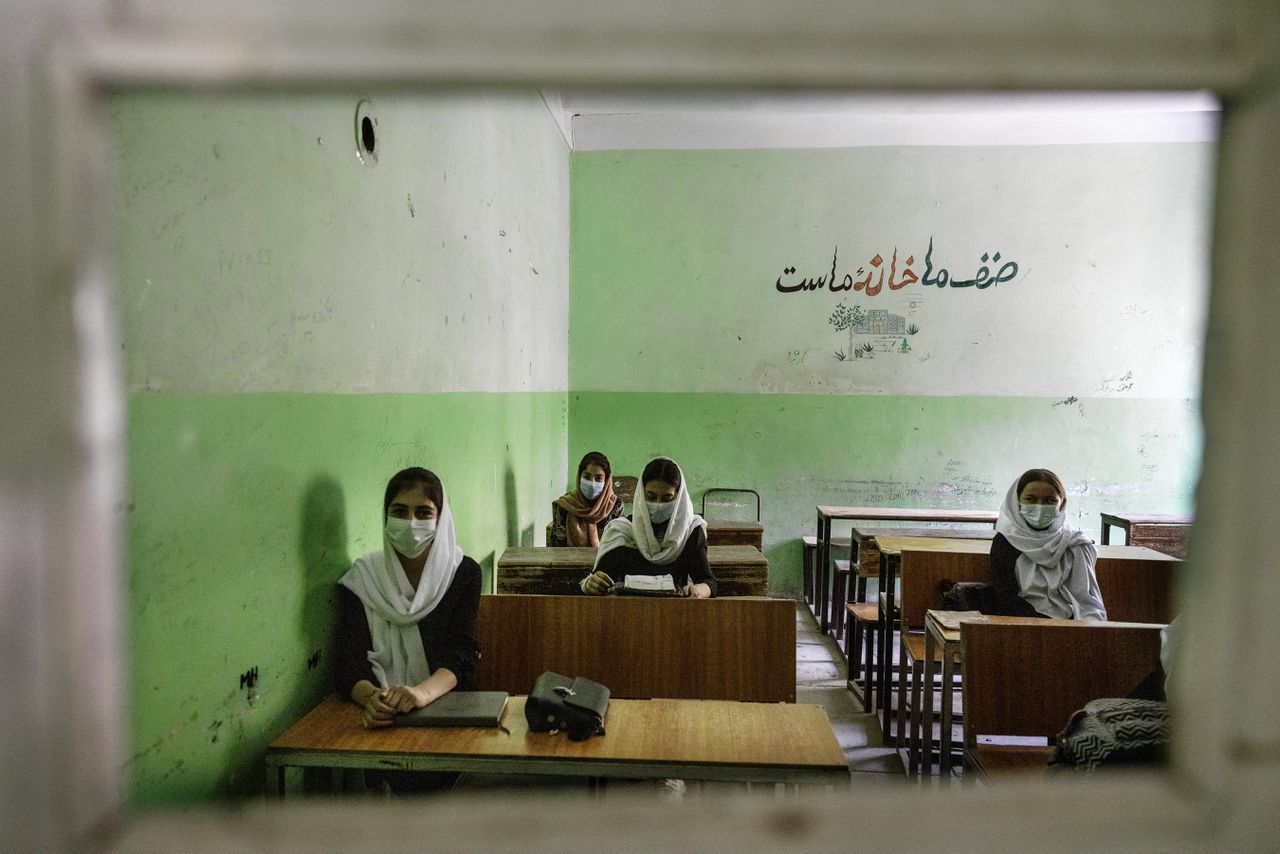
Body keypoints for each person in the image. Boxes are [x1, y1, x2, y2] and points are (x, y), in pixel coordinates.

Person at [334, 467, 481, 730]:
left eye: (423, 512)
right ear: (386, 516)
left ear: (440, 518)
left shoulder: (462, 572)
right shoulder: (362, 579)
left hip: (446, 709)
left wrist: (421, 694)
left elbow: (461, 653)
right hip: (380, 716)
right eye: (399, 511)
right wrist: (373, 699)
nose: (411, 522)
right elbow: (349, 662)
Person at [580, 456, 716, 598]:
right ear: (641, 494)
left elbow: (707, 582)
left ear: (679, 498)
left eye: (667, 498)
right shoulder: (622, 531)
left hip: (675, 612)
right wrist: (592, 584)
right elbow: (600, 580)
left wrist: (701, 590)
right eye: (650, 497)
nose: (658, 504)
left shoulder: (690, 531)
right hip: (627, 610)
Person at [989, 467, 1107, 621]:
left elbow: (1087, 599)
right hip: (1024, 624)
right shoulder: (1006, 542)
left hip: (1073, 624)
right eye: (1030, 499)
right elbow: (1006, 598)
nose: (1040, 507)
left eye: (1050, 500)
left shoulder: (1075, 544)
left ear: (1062, 503)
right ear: (1017, 501)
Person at [549, 451, 625, 546]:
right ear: (579, 477)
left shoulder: (615, 505)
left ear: (606, 481)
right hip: (570, 560)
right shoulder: (565, 505)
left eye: (598, 478)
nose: (592, 483)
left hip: (606, 560)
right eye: (587, 477)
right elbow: (557, 546)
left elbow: (618, 545)